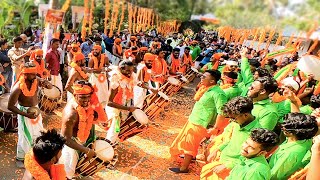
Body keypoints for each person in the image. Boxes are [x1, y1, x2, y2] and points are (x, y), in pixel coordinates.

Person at [169, 70, 227, 173]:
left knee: (190, 144)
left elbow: (221, 112)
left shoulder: (218, 93)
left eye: (204, 77)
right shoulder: (206, 89)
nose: (201, 78)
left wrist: (215, 128)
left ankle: (184, 168)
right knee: (188, 142)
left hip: (201, 123)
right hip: (195, 119)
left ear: (212, 81)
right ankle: (190, 158)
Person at [200, 96, 261, 179]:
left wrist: (226, 166)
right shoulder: (237, 124)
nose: (232, 121)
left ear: (245, 115)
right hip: (222, 160)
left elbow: (249, 157)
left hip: (231, 168)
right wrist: (217, 150)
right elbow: (229, 141)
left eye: (233, 118)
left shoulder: (256, 134)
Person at [8, 62, 52, 168]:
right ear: (25, 74)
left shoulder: (35, 80)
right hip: (25, 113)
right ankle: (20, 159)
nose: (35, 75)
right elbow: (10, 106)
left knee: (37, 134)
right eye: (32, 73)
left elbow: (50, 87)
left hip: (36, 111)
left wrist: (47, 83)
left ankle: (34, 156)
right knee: (24, 136)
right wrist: (25, 115)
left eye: (35, 72)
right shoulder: (18, 88)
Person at [59, 80, 101, 178]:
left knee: (76, 170)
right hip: (71, 146)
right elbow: (65, 139)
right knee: (67, 174)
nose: (86, 100)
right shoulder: (71, 114)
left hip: (83, 141)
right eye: (82, 97)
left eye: (88, 96)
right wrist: (85, 150)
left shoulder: (85, 105)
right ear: (75, 95)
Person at [268, 113, 318, 180]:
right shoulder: (305, 139)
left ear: (291, 133)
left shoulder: (290, 153)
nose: (282, 127)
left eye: (285, 126)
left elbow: (274, 177)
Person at [105, 60, 139, 143]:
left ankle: (110, 144)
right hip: (114, 108)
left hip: (123, 107)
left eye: (131, 71)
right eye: (127, 71)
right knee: (114, 129)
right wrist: (127, 108)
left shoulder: (130, 76)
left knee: (117, 129)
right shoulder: (116, 80)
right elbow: (109, 103)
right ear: (121, 69)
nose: (130, 73)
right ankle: (106, 148)